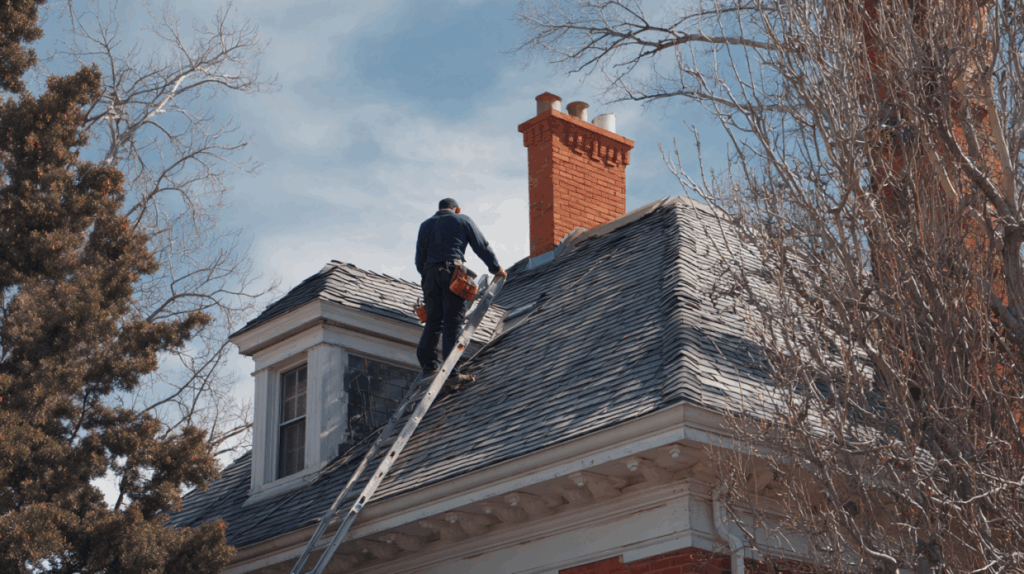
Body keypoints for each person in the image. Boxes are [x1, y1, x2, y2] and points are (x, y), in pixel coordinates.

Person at [415, 198, 507, 384]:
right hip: (452, 273)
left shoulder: (425, 225)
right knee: (453, 321)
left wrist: (428, 277)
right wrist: (496, 268)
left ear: (439, 209)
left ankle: (429, 367)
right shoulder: (462, 219)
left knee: (433, 321)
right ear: (457, 209)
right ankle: (452, 373)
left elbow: (419, 259)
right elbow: (481, 246)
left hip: (429, 275)